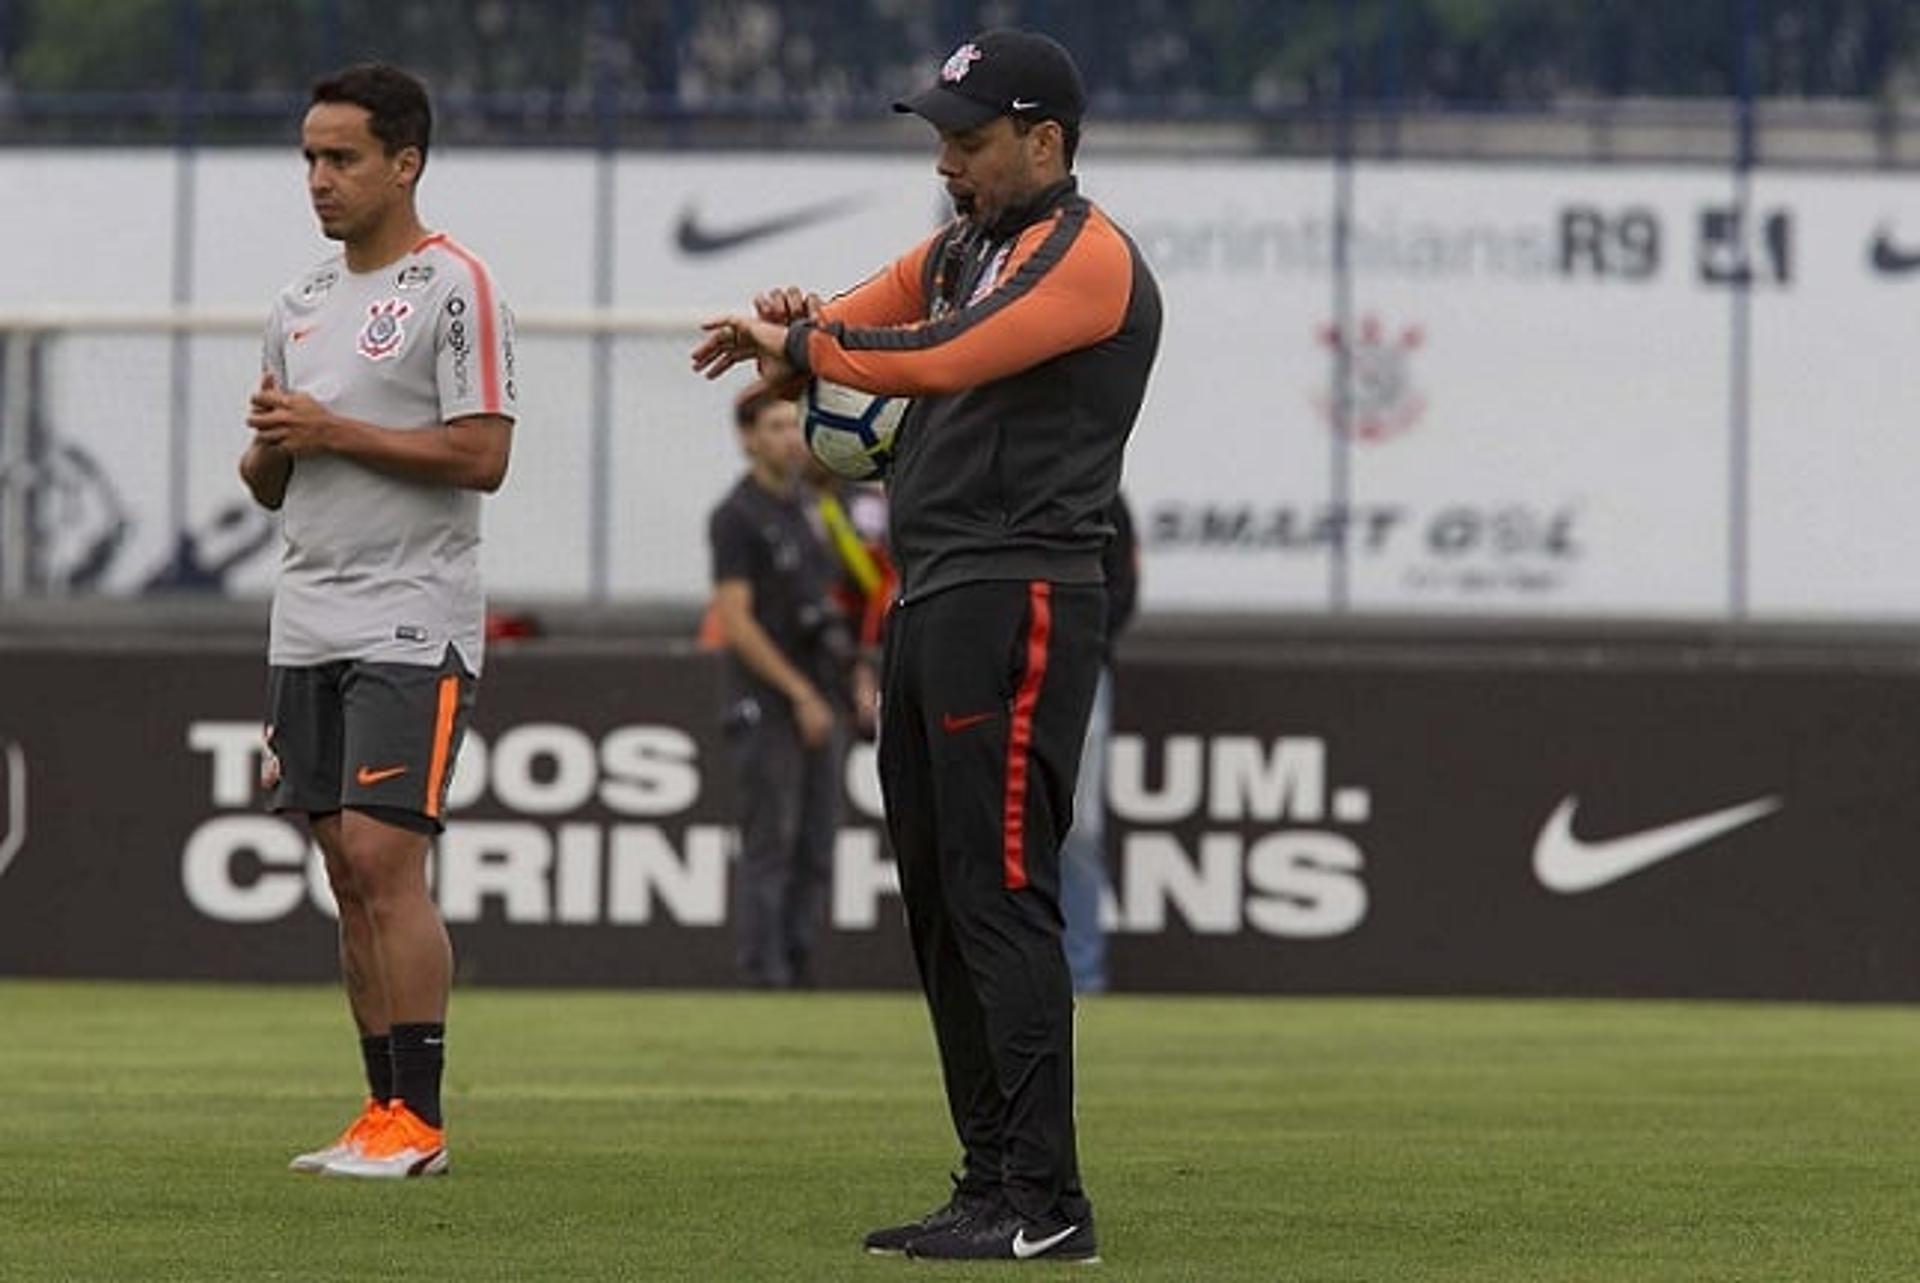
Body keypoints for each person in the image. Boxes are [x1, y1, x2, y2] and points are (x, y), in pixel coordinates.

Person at [692, 27, 1162, 1264]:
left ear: (1044, 139)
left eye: (969, 139)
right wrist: (798, 320)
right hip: (937, 592)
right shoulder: (966, 244)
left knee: (1002, 892)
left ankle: (1048, 1201)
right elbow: (859, 316)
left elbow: (936, 356)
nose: (947, 162)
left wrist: (803, 348)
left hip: (1023, 594)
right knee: (946, 903)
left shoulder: (1086, 254)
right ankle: (989, 1181)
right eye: (940, 140)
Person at [240, 62, 517, 1180]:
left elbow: (483, 455)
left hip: (413, 612)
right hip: (305, 614)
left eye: (342, 156)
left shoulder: (456, 286)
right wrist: (273, 441)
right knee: (341, 872)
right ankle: (378, 1109)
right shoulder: (298, 304)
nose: (319, 178)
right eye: (309, 155)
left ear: (405, 162)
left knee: (382, 855)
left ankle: (423, 1120)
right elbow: (268, 481)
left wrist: (332, 430)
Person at [707, 390, 851, 988]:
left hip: (823, 694)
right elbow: (735, 620)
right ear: (747, 438)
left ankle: (798, 967)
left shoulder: (811, 507)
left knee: (818, 845)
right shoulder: (736, 516)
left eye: (795, 426)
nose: (789, 438)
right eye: (774, 427)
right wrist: (797, 693)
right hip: (768, 703)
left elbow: (826, 607)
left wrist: (852, 674)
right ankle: (762, 975)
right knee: (772, 843)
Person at [1059, 492, 1137, 995]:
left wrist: (1075, 636)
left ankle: (1082, 974)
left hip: (1078, 668)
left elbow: (1124, 591)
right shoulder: (995, 478)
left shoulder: (1103, 494)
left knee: (1077, 828)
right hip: (996, 664)